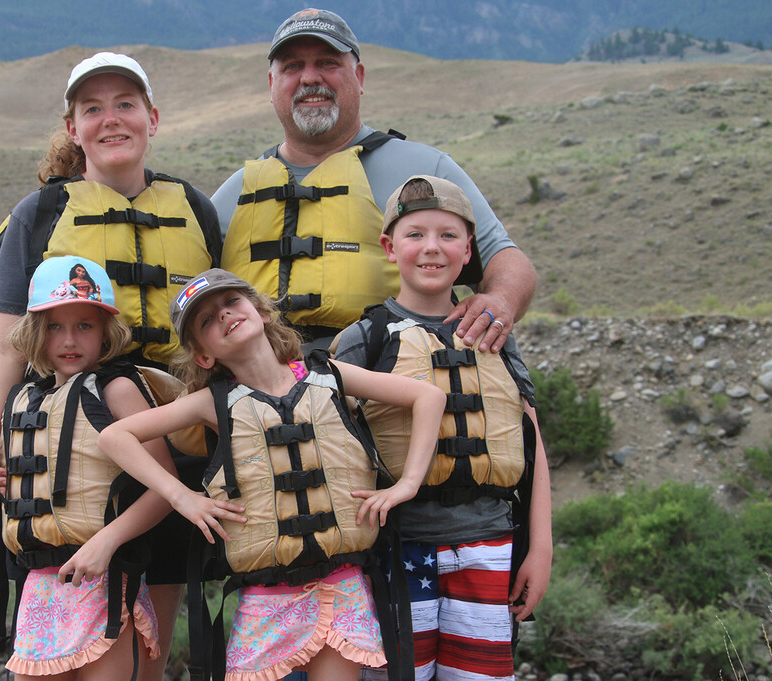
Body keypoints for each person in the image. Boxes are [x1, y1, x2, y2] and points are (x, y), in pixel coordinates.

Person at [0, 51, 221, 681]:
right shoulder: (39, 214)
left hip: (177, 450)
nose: (110, 120)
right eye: (91, 109)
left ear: (152, 117)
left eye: (125, 105)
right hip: (74, 450)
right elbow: (0, 342)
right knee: (65, 636)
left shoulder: (197, 210)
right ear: (73, 128)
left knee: (144, 649)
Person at [96, 268, 448, 681]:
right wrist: (182, 497)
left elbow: (428, 396)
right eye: (207, 320)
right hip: (265, 600)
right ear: (203, 356)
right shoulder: (210, 403)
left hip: (341, 588)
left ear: (261, 312)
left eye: (232, 303)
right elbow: (115, 437)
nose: (224, 315)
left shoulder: (330, 375)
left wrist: (407, 484)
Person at [212, 8, 536, 354]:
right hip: (264, 393)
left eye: (327, 63)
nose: (310, 78)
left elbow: (506, 259)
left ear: (360, 77)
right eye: (292, 66)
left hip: (393, 387)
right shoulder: (236, 193)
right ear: (272, 84)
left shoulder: (425, 169)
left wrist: (500, 300)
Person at [332, 176, 553, 681]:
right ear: (390, 247)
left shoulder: (495, 331)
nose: (432, 248)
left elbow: (531, 440)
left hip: (491, 545)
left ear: (469, 248)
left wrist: (540, 547)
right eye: (415, 235)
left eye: (448, 236)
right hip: (396, 550)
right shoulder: (364, 338)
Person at [0, 255, 177, 679]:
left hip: (106, 585)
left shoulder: (118, 391)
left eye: (84, 325)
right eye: (54, 326)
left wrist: (107, 541)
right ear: (36, 331)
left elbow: (165, 486)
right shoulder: (21, 402)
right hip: (38, 593)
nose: (69, 339)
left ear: (106, 332)